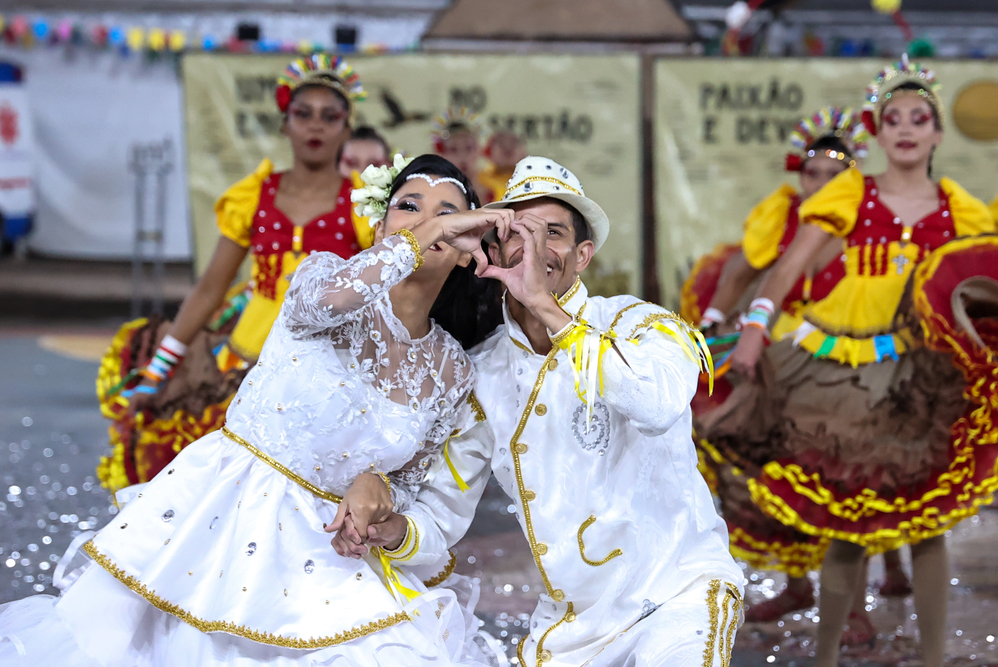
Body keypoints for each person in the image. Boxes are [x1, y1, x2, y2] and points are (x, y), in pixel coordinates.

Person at [0, 154, 511, 666]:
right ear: (380, 229)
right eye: (409, 206)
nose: (430, 221)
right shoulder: (322, 278)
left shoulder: (451, 370)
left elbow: (411, 486)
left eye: (448, 212)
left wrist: (377, 494)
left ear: (467, 253)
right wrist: (426, 235)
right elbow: (333, 300)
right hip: (229, 521)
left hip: (331, 552)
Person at [335, 156, 746, 667]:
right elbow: (443, 513)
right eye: (517, 231)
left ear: (582, 255)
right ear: (494, 247)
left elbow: (657, 404)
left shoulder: (640, 322)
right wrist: (391, 530)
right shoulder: (481, 373)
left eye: (552, 232)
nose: (532, 246)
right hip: (569, 628)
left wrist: (544, 306)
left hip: (676, 594)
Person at [725, 56, 996, 667]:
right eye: (892, 118)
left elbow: (975, 292)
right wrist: (752, 333)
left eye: (919, 117)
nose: (905, 128)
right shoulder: (853, 194)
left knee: (929, 521)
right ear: (876, 131)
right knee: (847, 522)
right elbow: (787, 268)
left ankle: (932, 658)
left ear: (936, 133)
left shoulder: (963, 211)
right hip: (846, 374)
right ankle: (825, 656)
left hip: (924, 379)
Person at [96, 54, 376, 495]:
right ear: (285, 125)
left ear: (347, 127)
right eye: (303, 115)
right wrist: (157, 373)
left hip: (328, 370)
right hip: (244, 365)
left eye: (330, 116)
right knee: (233, 490)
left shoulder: (363, 203)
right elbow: (209, 290)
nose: (315, 127)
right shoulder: (254, 196)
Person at [686, 108, 911, 637]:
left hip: (853, 355)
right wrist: (715, 321)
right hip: (782, 353)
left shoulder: (871, 217)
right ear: (798, 174)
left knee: (854, 472)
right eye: (815, 174)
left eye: (837, 175)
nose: (825, 184)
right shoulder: (782, 216)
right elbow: (742, 268)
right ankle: (798, 584)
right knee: (789, 469)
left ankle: (865, 598)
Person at [432, 107, 495, 205]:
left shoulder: (497, 191)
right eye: (453, 149)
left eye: (469, 148)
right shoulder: (432, 193)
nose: (462, 156)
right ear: (441, 154)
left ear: (479, 150)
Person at [478, 130, 526, 201]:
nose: (508, 148)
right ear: (488, 151)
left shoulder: (533, 179)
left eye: (513, 143)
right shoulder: (478, 181)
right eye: (501, 144)